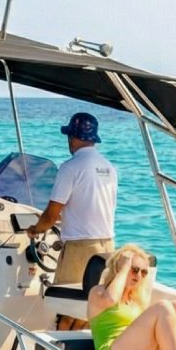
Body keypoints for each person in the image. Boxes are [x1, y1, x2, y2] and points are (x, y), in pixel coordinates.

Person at [26, 112, 117, 286]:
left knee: (65, 299)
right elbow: (90, 206)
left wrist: (35, 229)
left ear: (73, 137)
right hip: (107, 247)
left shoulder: (70, 167)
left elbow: (50, 216)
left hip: (80, 249)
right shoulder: (109, 167)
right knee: (94, 300)